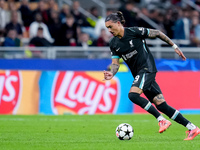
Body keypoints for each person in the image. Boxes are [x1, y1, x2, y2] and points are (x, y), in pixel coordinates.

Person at [103, 11, 200, 141]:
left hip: (147, 69)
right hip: (139, 74)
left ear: (118, 23)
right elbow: (115, 64)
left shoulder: (134, 32)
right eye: (107, 28)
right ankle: (192, 127)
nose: (109, 30)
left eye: (110, 26)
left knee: (133, 95)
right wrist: (111, 73)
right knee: (161, 105)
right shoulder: (113, 43)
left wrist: (174, 46)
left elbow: (158, 33)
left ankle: (161, 120)